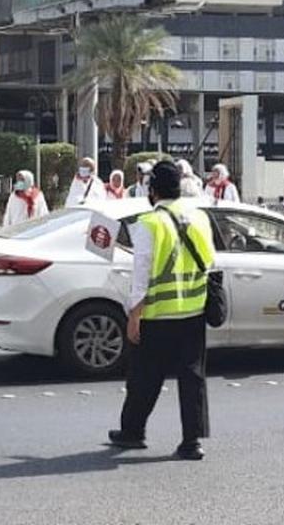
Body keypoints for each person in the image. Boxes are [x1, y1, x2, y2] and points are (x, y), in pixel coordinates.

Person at [109, 160, 214, 461]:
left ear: (152, 190)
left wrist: (134, 316)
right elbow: (209, 262)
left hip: (157, 315)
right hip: (194, 310)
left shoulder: (149, 224)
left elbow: (141, 275)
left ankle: (133, 431)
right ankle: (192, 442)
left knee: (144, 376)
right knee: (193, 378)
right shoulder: (199, 218)